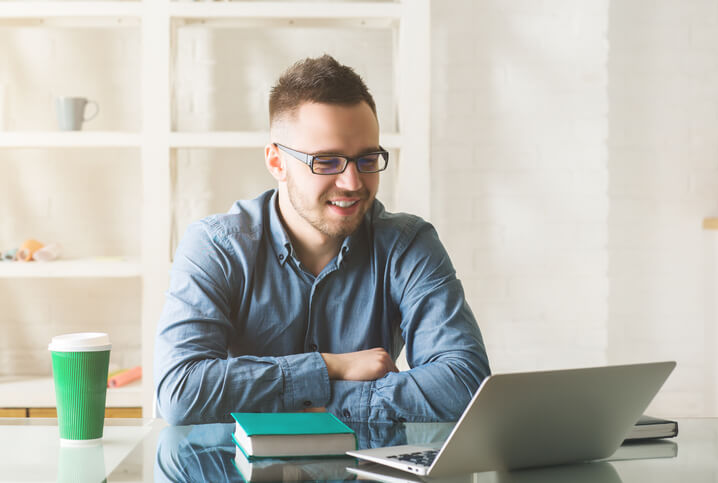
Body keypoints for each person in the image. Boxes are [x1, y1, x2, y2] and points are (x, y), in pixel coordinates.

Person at [154, 54, 490, 425]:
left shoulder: (407, 244)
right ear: (276, 162)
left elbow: (466, 386)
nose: (353, 183)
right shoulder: (216, 246)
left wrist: (328, 404)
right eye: (326, 162)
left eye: (366, 159)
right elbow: (180, 393)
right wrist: (331, 366)